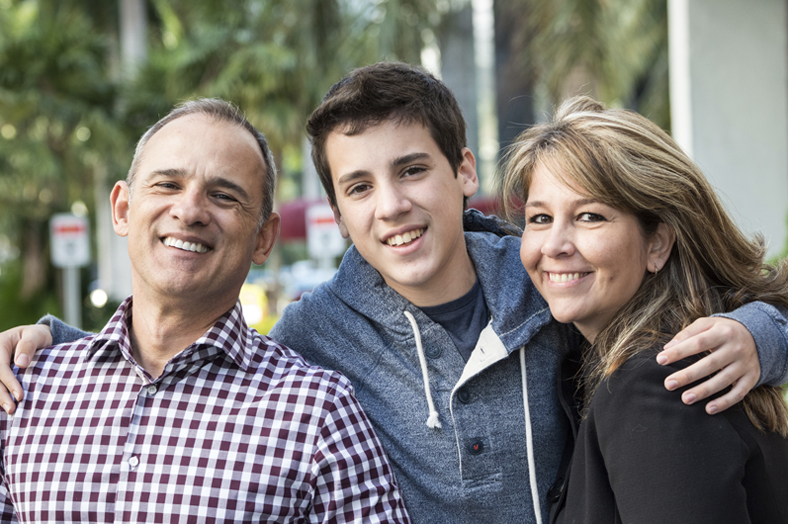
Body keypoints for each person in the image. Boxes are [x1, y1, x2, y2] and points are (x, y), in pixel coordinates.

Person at [2, 63, 788, 524]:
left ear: (463, 172)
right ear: (336, 213)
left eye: (412, 170)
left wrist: (761, 332)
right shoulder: (315, 334)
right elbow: (202, 362)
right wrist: (54, 344)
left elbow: (696, 289)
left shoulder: (548, 281)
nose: (392, 206)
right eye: (359, 187)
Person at [0, 99, 410, 523]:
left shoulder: (318, 412)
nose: (190, 211)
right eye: (167, 185)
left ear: (263, 240)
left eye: (223, 196)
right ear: (123, 209)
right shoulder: (20, 390)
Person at [502, 95, 788, 523]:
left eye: (590, 216)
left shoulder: (657, 385)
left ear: (657, 243)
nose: (554, 246)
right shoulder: (633, 360)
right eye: (540, 218)